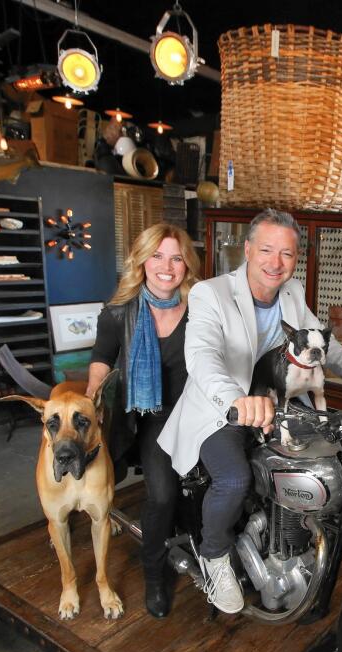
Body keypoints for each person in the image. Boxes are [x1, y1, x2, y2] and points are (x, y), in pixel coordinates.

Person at [158, 208, 342, 613]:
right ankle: (215, 556)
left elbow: (326, 346)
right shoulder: (211, 292)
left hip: (277, 404)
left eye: (287, 254)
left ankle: (292, 542)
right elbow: (202, 355)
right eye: (266, 250)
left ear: (297, 260)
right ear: (247, 249)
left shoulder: (292, 293)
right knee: (234, 478)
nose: (276, 263)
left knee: (326, 460)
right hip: (220, 407)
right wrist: (236, 398)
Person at [86, 222, 198, 618]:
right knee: (164, 494)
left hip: (198, 412)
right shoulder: (118, 314)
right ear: (141, 260)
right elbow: (101, 359)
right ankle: (154, 572)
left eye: (176, 257)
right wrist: (92, 397)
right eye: (157, 256)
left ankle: (212, 552)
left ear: (187, 264)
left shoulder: (202, 307)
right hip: (149, 417)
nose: (166, 266)